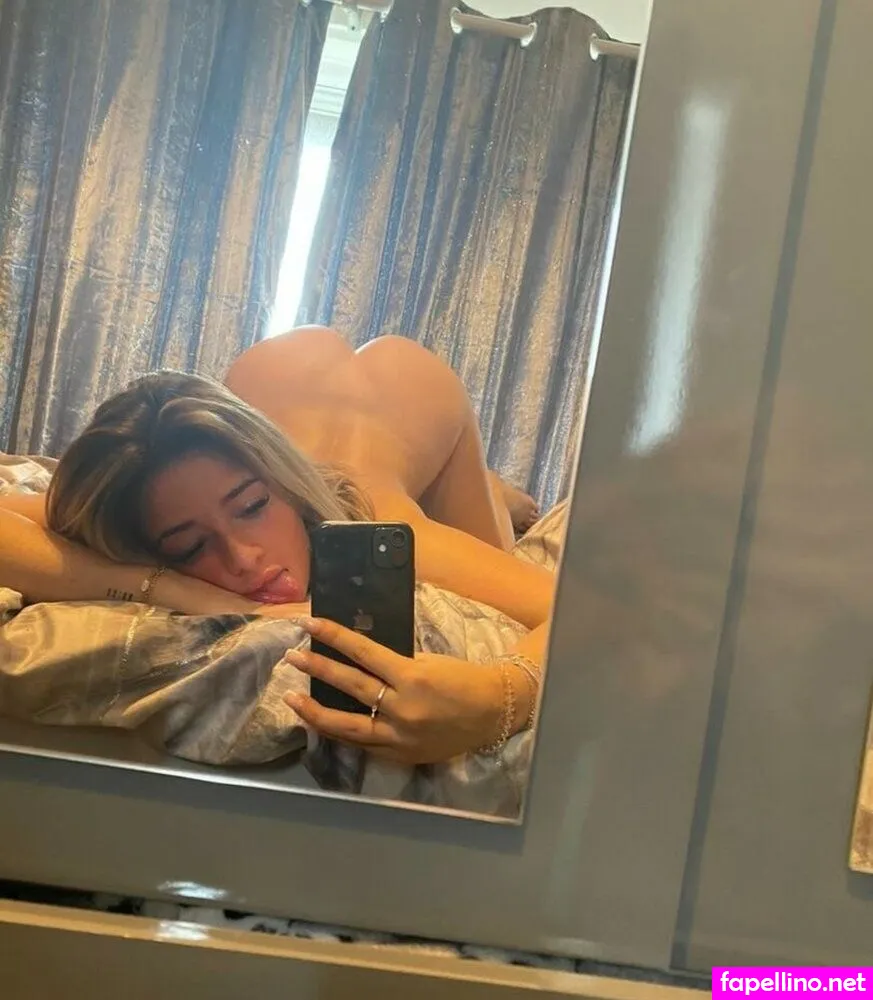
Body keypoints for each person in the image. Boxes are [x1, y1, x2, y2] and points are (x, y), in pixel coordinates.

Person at [0, 328, 554, 765]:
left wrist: (497, 698)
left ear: (287, 485)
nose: (244, 558)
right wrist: (172, 588)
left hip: (417, 387)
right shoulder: (166, 486)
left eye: (252, 507)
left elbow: (577, 615)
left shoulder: (379, 518)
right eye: (190, 546)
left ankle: (499, 492)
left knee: (499, 550)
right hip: (273, 370)